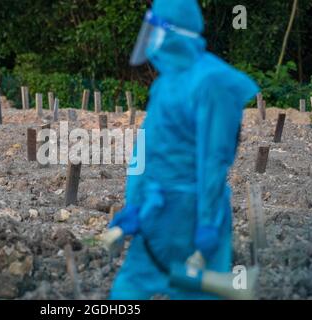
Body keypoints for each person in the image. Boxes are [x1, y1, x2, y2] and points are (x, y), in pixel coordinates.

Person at [109, 0, 259, 299]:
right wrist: (135, 206)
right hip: (157, 214)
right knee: (128, 289)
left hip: (192, 215)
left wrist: (208, 224)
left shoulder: (213, 83)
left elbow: (213, 160)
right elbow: (146, 150)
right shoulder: (165, 84)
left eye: (156, 30)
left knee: (196, 293)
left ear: (171, 33)